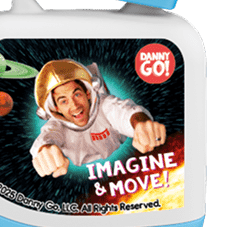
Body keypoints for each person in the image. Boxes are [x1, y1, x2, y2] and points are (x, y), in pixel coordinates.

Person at [29, 59, 166, 178]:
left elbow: (125, 111)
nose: (75, 106)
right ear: (56, 108)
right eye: (63, 101)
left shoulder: (105, 105)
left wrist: (141, 124)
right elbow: (47, 137)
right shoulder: (56, 125)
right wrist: (44, 151)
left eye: (77, 94)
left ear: (88, 93)